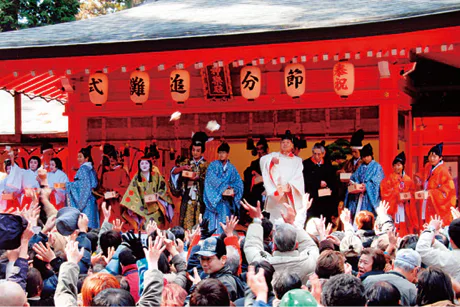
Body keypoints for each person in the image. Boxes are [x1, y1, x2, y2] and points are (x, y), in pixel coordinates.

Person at [260, 130, 306, 228]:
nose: (285, 145)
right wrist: (270, 161)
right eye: (283, 143)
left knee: (289, 223)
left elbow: (298, 177)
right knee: (274, 222)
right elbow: (262, 160)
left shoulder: (297, 161)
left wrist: (289, 186)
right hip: (276, 195)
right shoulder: (273, 156)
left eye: (288, 143)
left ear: (292, 145)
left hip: (289, 194)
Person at [120, 156, 174, 231]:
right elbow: (131, 192)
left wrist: (158, 194)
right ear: (139, 165)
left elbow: (163, 188)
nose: (144, 165)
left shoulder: (156, 175)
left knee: (158, 232)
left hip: (155, 209)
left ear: (150, 164)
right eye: (142, 163)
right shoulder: (136, 177)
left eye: (146, 163)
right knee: (144, 233)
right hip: (142, 211)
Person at [169, 132, 209, 230]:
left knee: (199, 220)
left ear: (202, 151)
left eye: (198, 150)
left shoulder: (206, 165)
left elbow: (209, 181)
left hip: (200, 197)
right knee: (186, 220)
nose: (195, 153)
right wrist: (183, 168)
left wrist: (199, 178)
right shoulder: (186, 162)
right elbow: (173, 172)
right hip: (188, 196)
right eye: (193, 150)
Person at [203, 142, 243, 234]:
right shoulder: (213, 166)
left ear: (228, 154)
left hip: (226, 202)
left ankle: (223, 241)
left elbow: (238, 183)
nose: (221, 155)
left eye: (223, 152)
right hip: (214, 200)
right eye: (220, 152)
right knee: (212, 223)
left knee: (225, 222)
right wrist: (224, 186)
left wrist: (233, 189)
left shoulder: (232, 168)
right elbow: (210, 180)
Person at [380, 152, 418, 236]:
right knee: (395, 225)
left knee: (405, 224)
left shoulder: (408, 180)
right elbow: (385, 193)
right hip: (395, 206)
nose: (397, 167)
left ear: (403, 166)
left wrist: (408, 197)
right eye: (395, 165)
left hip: (405, 207)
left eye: (399, 165)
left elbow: (413, 194)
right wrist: (396, 195)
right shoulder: (388, 180)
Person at [419, 143, 456, 225]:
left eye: (434, 156)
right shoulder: (428, 166)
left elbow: (447, 193)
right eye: (430, 156)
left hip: (437, 206)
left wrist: (430, 193)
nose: (432, 159)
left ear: (440, 158)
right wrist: (418, 180)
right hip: (426, 202)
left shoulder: (443, 171)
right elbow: (421, 177)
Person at [345, 143, 384, 220]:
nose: (365, 159)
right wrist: (353, 183)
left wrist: (367, 186)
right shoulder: (361, 167)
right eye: (363, 157)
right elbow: (354, 177)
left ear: (371, 156)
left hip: (369, 197)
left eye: (367, 156)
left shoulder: (377, 167)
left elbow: (377, 182)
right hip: (360, 195)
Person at [416, 216, 460, 282]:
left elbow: (422, 250)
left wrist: (431, 228)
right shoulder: (454, 258)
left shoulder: (454, 259)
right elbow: (448, 255)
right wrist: (434, 242)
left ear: (451, 240)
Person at [303, 142, 337, 224]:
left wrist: (330, 188)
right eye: (314, 154)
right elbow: (305, 179)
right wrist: (318, 183)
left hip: (325, 198)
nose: (316, 156)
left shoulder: (328, 164)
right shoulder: (306, 164)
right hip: (313, 197)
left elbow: (333, 180)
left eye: (319, 154)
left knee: (325, 220)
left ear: (323, 154)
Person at [66, 146, 99, 229]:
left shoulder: (83, 169)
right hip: (91, 200)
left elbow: (83, 186)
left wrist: (69, 185)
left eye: (80, 157)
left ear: (86, 158)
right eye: (78, 157)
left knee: (84, 226)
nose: (78, 159)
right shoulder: (91, 169)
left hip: (85, 201)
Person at [97, 148, 130, 225]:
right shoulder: (105, 174)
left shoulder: (122, 172)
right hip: (107, 202)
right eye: (109, 162)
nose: (111, 164)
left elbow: (126, 187)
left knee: (117, 222)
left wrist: (117, 192)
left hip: (118, 203)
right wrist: (104, 193)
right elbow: (101, 188)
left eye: (112, 161)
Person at [243, 136, 269, 220]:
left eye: (262, 149)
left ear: (267, 149)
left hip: (271, 190)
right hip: (258, 192)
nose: (260, 151)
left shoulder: (272, 161)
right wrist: (254, 177)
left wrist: (263, 178)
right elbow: (247, 174)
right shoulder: (254, 163)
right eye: (258, 149)